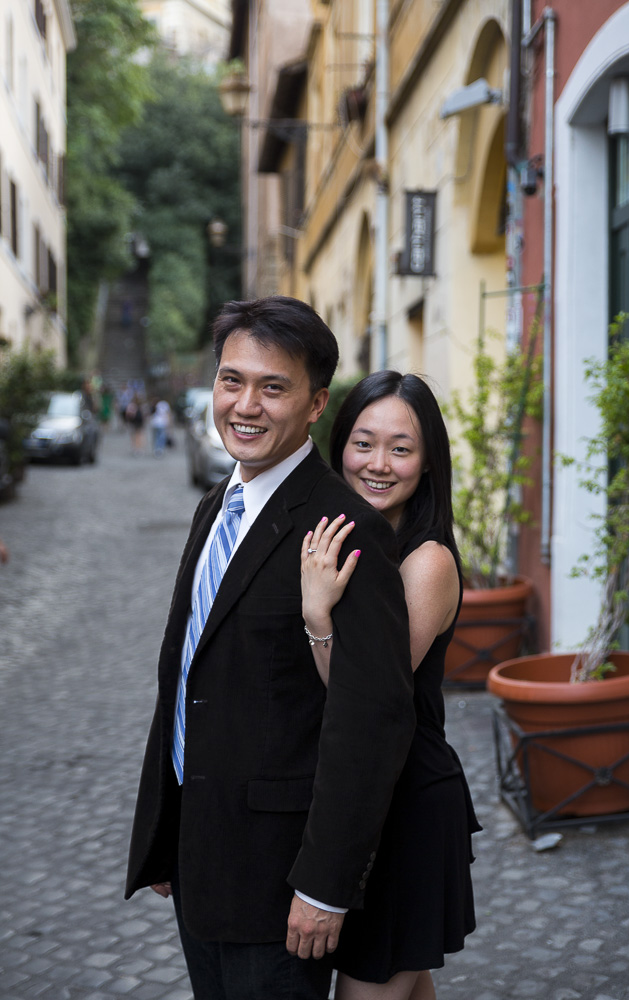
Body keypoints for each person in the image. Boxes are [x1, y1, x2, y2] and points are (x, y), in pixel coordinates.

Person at [125, 296, 416, 1000]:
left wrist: (325, 885)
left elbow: (371, 719)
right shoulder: (216, 504)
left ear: (316, 405)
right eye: (232, 380)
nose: (244, 405)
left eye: (272, 387)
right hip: (201, 854)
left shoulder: (345, 529)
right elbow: (190, 674)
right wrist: (168, 829)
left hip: (280, 882)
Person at [300, 371, 481, 1000]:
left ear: (428, 463)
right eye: (362, 443)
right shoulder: (351, 539)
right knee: (407, 984)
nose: (377, 464)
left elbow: (369, 697)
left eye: (401, 449)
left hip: (408, 808)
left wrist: (317, 616)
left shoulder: (425, 562)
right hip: (367, 800)